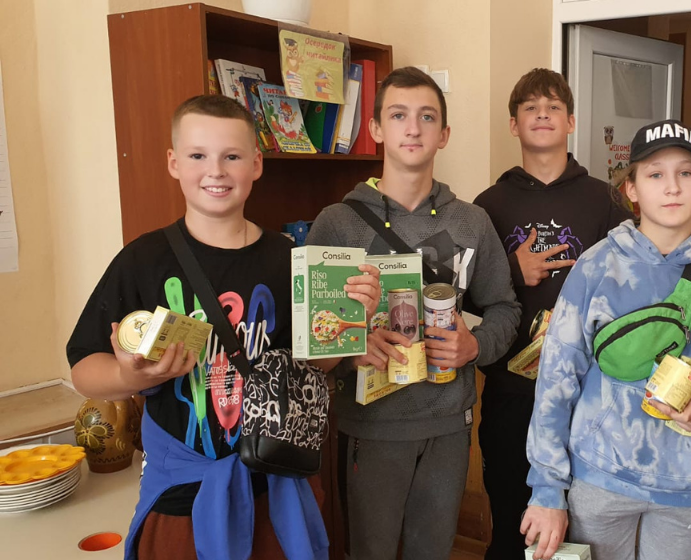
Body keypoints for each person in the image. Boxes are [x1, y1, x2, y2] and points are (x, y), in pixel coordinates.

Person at [66, 94, 381, 560]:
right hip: (181, 496)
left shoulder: (288, 260)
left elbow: (314, 364)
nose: (215, 171)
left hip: (275, 483)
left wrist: (352, 320)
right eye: (198, 156)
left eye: (231, 156)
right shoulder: (142, 260)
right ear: (174, 163)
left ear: (256, 164)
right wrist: (129, 377)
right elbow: (83, 367)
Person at [520, 119, 691, 560]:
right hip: (600, 477)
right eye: (655, 174)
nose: (672, 187)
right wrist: (546, 488)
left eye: (686, 173)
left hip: (689, 485)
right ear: (632, 190)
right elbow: (556, 380)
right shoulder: (596, 266)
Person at [304, 66, 521, 560]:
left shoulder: (472, 221)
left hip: (448, 424)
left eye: (427, 117)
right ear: (377, 129)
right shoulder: (337, 224)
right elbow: (314, 340)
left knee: (433, 551)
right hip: (371, 428)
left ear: (444, 134)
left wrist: (476, 345)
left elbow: (505, 308)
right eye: (398, 115)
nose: (413, 127)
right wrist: (354, 348)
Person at [472, 68, 633, 560]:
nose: (542, 114)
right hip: (511, 392)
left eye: (553, 107)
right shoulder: (487, 206)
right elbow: (464, 301)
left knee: (583, 528)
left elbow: (634, 289)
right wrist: (510, 270)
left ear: (571, 123)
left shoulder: (605, 200)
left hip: (589, 395)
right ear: (513, 125)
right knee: (512, 521)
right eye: (529, 108)